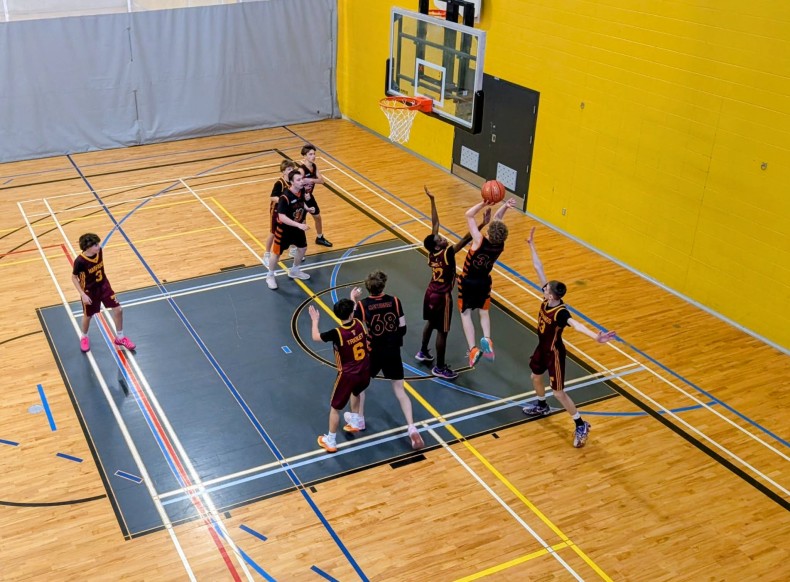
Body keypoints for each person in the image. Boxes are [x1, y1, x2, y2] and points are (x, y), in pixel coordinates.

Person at [521, 227, 617, 448]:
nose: (543, 288)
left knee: (559, 392)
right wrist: (531, 245)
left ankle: (580, 424)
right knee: (535, 377)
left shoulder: (561, 312)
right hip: (541, 349)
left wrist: (596, 336)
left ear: (553, 295)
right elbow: (538, 267)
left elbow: (577, 325)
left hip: (554, 352)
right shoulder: (547, 300)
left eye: (546, 289)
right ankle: (541, 405)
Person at [416, 186, 490, 380]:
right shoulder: (447, 253)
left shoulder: (432, 253)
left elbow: (435, 224)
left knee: (431, 323)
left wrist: (432, 200)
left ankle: (423, 351)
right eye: (440, 239)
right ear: (438, 245)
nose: (442, 238)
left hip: (430, 292)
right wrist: (481, 223)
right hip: (442, 296)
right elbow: (466, 239)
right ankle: (439, 367)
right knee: (443, 331)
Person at [350, 271, 424, 450]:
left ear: (368, 288)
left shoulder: (362, 305)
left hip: (374, 352)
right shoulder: (395, 301)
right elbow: (403, 328)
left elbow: (353, 324)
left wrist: (353, 299)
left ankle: (359, 419)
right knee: (400, 391)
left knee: (359, 387)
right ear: (383, 285)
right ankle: (412, 427)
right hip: (393, 351)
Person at [457, 197, 517, 367]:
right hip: (484, 281)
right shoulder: (500, 245)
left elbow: (469, 215)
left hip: (468, 281)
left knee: (466, 313)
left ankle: (473, 349)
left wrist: (484, 203)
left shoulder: (479, 241)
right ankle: (487, 338)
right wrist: (504, 206)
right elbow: (497, 221)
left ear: (489, 233)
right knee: (484, 311)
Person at [309, 300, 372, 454]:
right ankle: (356, 420)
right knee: (356, 392)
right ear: (351, 313)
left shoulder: (337, 333)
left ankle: (330, 440)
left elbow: (316, 337)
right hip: (365, 370)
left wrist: (315, 320)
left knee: (335, 409)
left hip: (347, 375)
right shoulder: (358, 323)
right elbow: (356, 309)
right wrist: (353, 297)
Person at [71, 233, 136, 353]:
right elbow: (74, 277)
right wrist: (82, 294)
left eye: (98, 244)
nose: (99, 246)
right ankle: (84, 337)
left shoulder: (99, 252)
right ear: (87, 247)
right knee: (88, 316)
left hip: (104, 286)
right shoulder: (80, 261)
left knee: (118, 309)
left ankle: (120, 338)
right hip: (89, 291)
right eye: (95, 245)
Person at [265, 169, 315, 290]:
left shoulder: (301, 190)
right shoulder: (285, 197)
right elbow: (281, 216)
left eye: (301, 179)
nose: (301, 181)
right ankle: (270, 275)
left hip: (297, 228)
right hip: (284, 230)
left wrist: (308, 209)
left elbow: (301, 203)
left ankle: (294, 270)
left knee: (302, 248)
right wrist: (298, 225)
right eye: (298, 180)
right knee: (276, 254)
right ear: (292, 182)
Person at [263, 160, 297, 269]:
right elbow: (272, 197)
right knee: (273, 233)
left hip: (287, 210)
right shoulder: (279, 183)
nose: (291, 171)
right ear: (283, 172)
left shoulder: (294, 182)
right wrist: (283, 200)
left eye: (292, 169)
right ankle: (267, 254)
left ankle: (292, 249)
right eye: (289, 169)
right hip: (276, 210)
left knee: (291, 229)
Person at [300, 144, 333, 248]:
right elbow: (296, 185)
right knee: (302, 222)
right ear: (304, 156)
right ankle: (298, 245)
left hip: (309, 196)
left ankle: (319, 237)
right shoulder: (301, 170)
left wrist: (310, 180)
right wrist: (303, 195)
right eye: (310, 154)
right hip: (300, 199)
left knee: (317, 217)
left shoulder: (314, 166)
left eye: (314, 154)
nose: (313, 156)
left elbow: (322, 180)